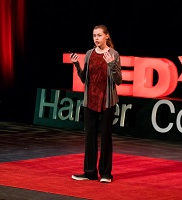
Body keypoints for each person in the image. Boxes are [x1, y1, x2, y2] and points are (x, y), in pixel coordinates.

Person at [70, 25, 122, 183]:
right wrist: (77, 65)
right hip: (90, 101)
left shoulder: (113, 54)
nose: (96, 38)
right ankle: (90, 172)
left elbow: (118, 81)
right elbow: (85, 79)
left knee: (106, 137)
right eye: (94, 36)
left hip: (107, 102)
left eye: (99, 35)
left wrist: (112, 64)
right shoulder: (89, 54)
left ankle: (106, 173)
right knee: (89, 138)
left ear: (107, 36)